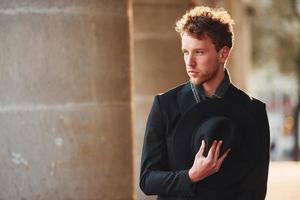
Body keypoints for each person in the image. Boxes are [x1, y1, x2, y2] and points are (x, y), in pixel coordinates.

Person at [139, 6, 270, 200]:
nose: (189, 62)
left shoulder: (254, 111)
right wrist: (191, 176)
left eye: (199, 52)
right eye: (185, 52)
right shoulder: (164, 105)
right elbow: (147, 180)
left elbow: (255, 192)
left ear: (223, 54)